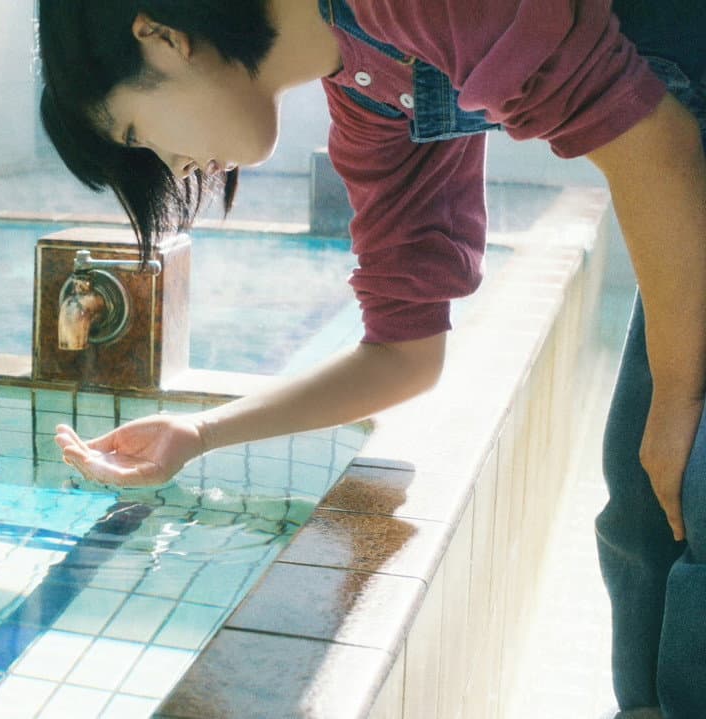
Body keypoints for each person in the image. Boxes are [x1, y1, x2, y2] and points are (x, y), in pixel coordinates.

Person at [36, 1, 706, 717]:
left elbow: (650, 139)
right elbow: (405, 353)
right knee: (643, 523)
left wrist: (676, 400)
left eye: (137, 136)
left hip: (682, 170)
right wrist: (199, 433)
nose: (172, 169)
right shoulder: (375, 103)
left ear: (160, 37)